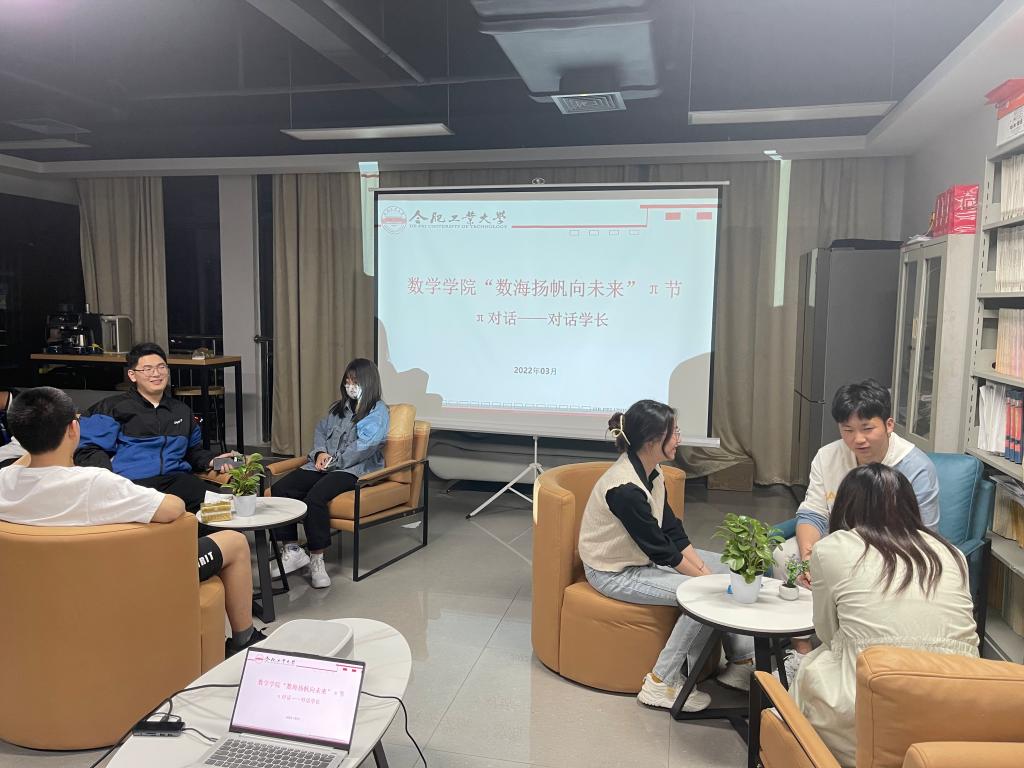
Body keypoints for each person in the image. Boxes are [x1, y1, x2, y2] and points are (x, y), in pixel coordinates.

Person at [0, 387, 266, 655]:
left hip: (42, 588)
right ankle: (243, 639)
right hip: (119, 580)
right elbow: (173, 508)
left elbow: (22, 465)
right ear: (73, 429)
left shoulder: (5, 481)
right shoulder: (95, 483)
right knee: (234, 542)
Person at [791, 463, 977, 767]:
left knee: (811, 669)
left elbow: (826, 631)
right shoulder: (951, 553)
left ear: (846, 506)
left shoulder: (834, 548)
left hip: (870, 711)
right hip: (959, 710)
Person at [578, 399, 755, 712]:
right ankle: (661, 683)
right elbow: (661, 551)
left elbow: (671, 529)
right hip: (613, 572)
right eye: (673, 433)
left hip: (642, 558)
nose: (679, 439)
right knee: (701, 596)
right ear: (651, 441)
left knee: (730, 569)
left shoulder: (652, 471)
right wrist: (703, 580)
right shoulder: (624, 489)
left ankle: (740, 663)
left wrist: (705, 570)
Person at [780, 378, 940, 677]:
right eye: (848, 430)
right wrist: (808, 557)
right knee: (785, 557)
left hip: (891, 552)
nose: (858, 440)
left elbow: (922, 533)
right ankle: (801, 651)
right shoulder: (828, 456)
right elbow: (813, 513)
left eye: (867, 428)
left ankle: (854, 652)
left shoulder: (914, 466)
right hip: (836, 546)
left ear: (889, 424)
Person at [270, 358, 389, 589]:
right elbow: (320, 432)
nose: (350, 385)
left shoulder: (377, 412)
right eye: (347, 381)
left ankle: (317, 559)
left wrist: (333, 462)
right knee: (280, 489)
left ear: (368, 382)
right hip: (324, 464)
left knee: (315, 498)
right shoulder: (338, 409)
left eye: (355, 381)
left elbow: (364, 447)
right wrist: (319, 453)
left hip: (353, 469)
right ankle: (292, 550)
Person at [75, 342, 233, 511]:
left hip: (176, 480)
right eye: (148, 369)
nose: (156, 374)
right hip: (131, 485)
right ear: (132, 375)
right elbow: (88, 450)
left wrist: (212, 460)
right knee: (167, 511)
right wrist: (110, 482)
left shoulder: (181, 411)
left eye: (161, 367)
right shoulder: (111, 408)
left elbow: (192, 452)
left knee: (226, 507)